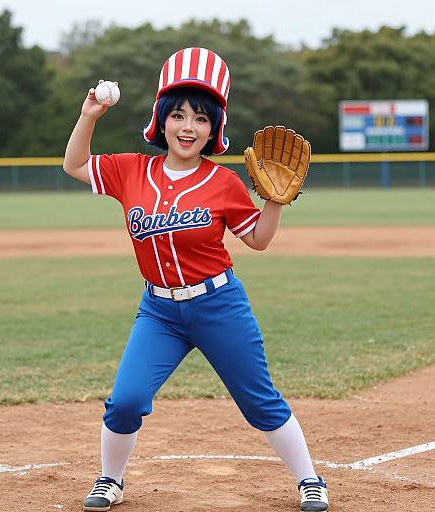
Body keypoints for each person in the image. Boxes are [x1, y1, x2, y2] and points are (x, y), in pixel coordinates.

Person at [63, 47, 329, 512]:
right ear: (161, 120)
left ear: (215, 129)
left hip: (218, 306)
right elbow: (75, 165)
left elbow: (259, 241)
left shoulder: (223, 183)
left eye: (202, 119)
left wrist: (275, 203)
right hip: (159, 312)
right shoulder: (132, 170)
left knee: (259, 402)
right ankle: (110, 479)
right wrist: (89, 116)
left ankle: (310, 480)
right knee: (125, 401)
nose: (189, 127)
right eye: (179, 115)